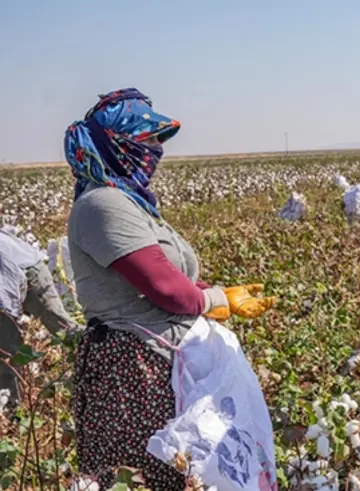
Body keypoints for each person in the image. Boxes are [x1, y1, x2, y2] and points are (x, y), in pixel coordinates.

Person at [63, 88, 276, 490]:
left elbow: (172, 278)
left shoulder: (132, 202)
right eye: (148, 140)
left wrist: (212, 292)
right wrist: (216, 301)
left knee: (176, 472)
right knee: (137, 474)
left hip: (160, 362)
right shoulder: (102, 205)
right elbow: (166, 289)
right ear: (118, 144)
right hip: (131, 371)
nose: (157, 149)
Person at [0, 230, 80, 406]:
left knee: (59, 325)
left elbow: (6, 292)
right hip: (16, 271)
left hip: (27, 271)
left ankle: (96, 358)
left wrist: (12, 313)